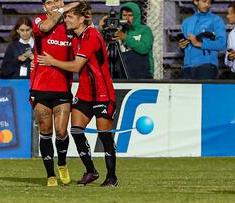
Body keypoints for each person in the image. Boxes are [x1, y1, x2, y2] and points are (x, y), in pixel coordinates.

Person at [38, 1, 118, 187]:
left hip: (103, 94)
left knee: (105, 136)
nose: (66, 19)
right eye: (66, 16)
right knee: (75, 130)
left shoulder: (92, 36)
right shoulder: (75, 38)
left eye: (70, 17)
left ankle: (112, 177)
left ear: (82, 19)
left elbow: (75, 66)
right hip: (84, 94)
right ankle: (91, 171)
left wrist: (51, 61)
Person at [30, 0, 79, 187]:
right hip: (41, 86)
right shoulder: (39, 20)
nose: (53, 5)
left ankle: (62, 163)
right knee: (45, 130)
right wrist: (63, 9)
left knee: (60, 131)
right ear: (44, 7)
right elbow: (46, 26)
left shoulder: (69, 25)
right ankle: (50, 175)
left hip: (62, 87)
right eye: (49, 2)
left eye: (57, 1)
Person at [98, 2, 154, 79]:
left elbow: (144, 48)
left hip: (142, 75)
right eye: (124, 15)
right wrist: (101, 31)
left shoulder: (145, 30)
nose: (127, 18)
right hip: (121, 74)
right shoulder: (118, 31)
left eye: (130, 15)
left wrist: (125, 38)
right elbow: (99, 48)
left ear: (136, 15)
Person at [178, 0, 226, 79]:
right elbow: (186, 47)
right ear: (196, 1)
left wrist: (199, 43)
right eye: (204, 1)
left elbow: (222, 43)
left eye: (209, 3)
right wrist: (182, 46)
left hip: (206, 66)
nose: (207, 5)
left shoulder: (216, 20)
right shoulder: (186, 22)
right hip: (187, 67)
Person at [225, 2, 235, 79]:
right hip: (234, 77)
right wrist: (229, 58)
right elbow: (227, 63)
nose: (227, 16)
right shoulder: (231, 34)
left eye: (229, 13)